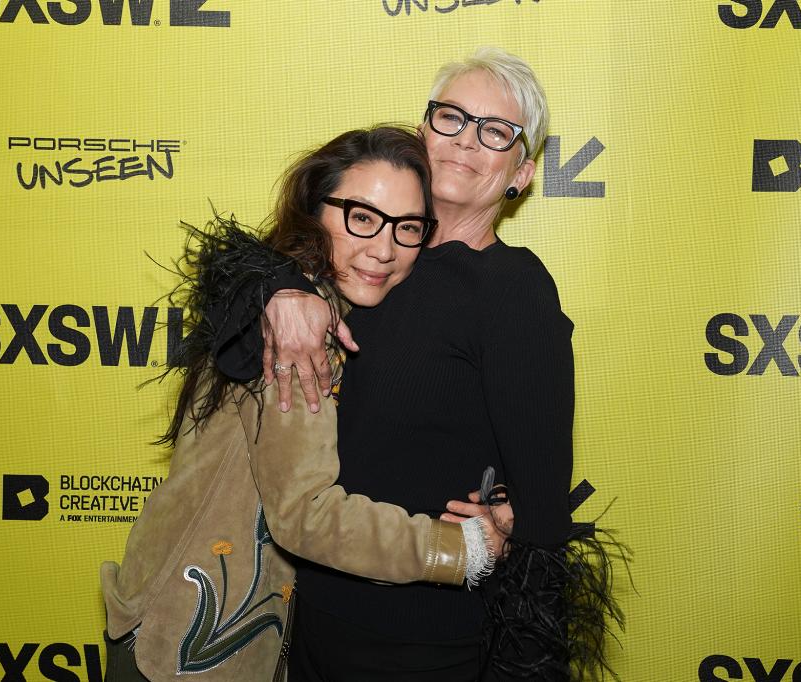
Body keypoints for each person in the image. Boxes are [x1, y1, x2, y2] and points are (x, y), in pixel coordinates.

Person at [228, 48, 622, 680]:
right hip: (297, 621)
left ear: (521, 172)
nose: (467, 141)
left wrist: (514, 515)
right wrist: (282, 288)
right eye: (452, 118)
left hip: (426, 645)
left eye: (496, 132)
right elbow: (230, 301)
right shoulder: (360, 256)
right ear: (422, 132)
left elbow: (544, 510)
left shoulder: (512, 289)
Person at [100, 126, 505, 682]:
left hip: (229, 631)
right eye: (361, 217)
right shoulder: (297, 331)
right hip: (185, 644)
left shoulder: (310, 300)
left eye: (407, 228)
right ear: (315, 210)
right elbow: (306, 516)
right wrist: (464, 550)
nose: (383, 248)